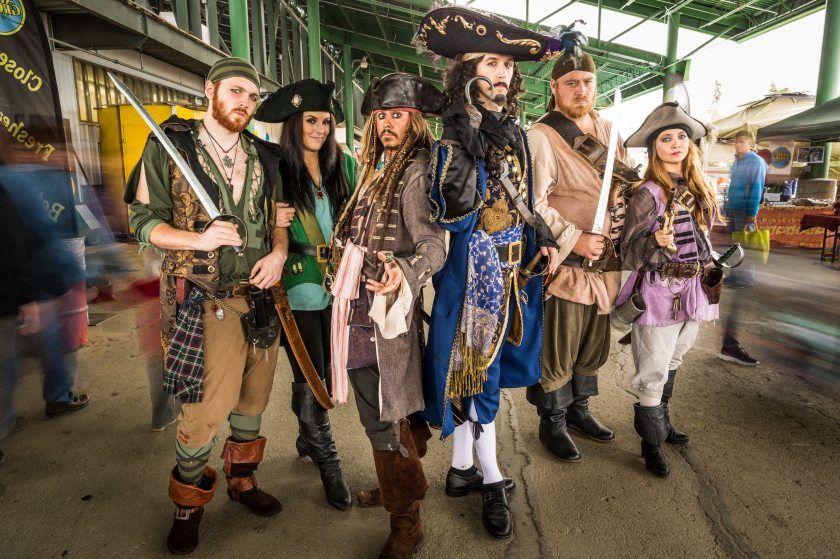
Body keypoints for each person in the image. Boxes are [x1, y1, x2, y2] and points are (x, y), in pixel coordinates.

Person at [125, 57, 287, 555]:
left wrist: (279, 253)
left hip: (261, 297)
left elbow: (278, 220)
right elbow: (141, 221)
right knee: (203, 411)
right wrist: (198, 239)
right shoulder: (169, 145)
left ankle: (242, 481)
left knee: (254, 400)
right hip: (204, 298)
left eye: (252, 96)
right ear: (210, 90)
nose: (245, 102)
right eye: (236, 90)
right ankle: (188, 504)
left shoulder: (265, 155)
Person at [418, 6, 560, 539]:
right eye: (490, 63)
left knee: (482, 372)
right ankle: (493, 477)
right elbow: (452, 216)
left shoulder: (513, 131)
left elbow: (524, 202)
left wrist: (543, 240)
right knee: (477, 377)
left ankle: (461, 470)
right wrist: (462, 143)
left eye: (506, 65)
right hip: (471, 275)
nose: (501, 74)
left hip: (514, 271)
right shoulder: (453, 135)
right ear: (466, 71)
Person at [327, 72, 446, 558]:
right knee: (383, 412)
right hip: (355, 309)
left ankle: (406, 520)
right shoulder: (376, 167)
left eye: (396, 115)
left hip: (383, 317)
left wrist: (405, 271)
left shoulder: (415, 171)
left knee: (385, 415)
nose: (386, 125)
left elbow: (433, 245)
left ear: (415, 120)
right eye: (380, 116)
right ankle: (398, 484)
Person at [525, 31, 637, 464]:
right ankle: (552, 420)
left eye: (587, 82)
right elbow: (533, 203)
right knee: (560, 344)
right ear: (554, 87)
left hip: (605, 261)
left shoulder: (609, 129)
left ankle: (579, 409)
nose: (581, 90)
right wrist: (574, 237)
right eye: (571, 83)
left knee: (593, 343)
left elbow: (625, 180)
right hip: (567, 262)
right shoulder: (541, 136)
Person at [253, 79, 354, 510]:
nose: (319, 129)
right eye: (311, 120)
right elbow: (252, 223)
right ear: (294, 124)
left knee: (328, 369)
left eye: (326, 122)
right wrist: (270, 217)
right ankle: (329, 464)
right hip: (298, 283)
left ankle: (305, 436)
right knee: (311, 376)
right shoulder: (273, 168)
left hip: (340, 281)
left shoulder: (344, 164)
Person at [616, 102, 723, 477]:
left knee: (674, 359)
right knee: (653, 370)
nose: (676, 143)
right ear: (654, 148)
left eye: (681, 136)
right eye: (666, 138)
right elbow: (626, 253)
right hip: (659, 291)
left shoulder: (700, 187)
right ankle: (651, 444)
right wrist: (654, 241)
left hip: (694, 289)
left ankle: (661, 422)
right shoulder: (647, 194)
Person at [0, 180, 83, 463]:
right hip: (18, 290)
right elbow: (21, 240)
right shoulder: (23, 185)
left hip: (21, 287)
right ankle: (57, 398)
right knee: (8, 370)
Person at [719, 129, 765, 365]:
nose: (738, 145)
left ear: (750, 144)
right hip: (733, 209)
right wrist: (727, 208)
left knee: (745, 245)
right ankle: (736, 275)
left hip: (746, 211)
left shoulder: (756, 162)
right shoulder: (736, 162)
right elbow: (732, 186)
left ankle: (745, 277)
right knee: (734, 246)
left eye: (742, 142)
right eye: (736, 142)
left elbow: (756, 187)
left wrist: (752, 213)